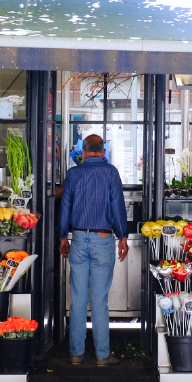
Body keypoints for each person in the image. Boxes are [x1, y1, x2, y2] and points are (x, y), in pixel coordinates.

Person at [58, 134, 128, 367]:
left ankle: (76, 354)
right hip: (102, 238)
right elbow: (117, 205)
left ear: (84, 151)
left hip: (78, 238)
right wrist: (123, 236)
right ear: (103, 152)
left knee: (77, 300)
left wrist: (62, 236)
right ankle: (102, 355)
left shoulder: (73, 173)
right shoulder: (111, 172)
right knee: (99, 300)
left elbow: (65, 205)